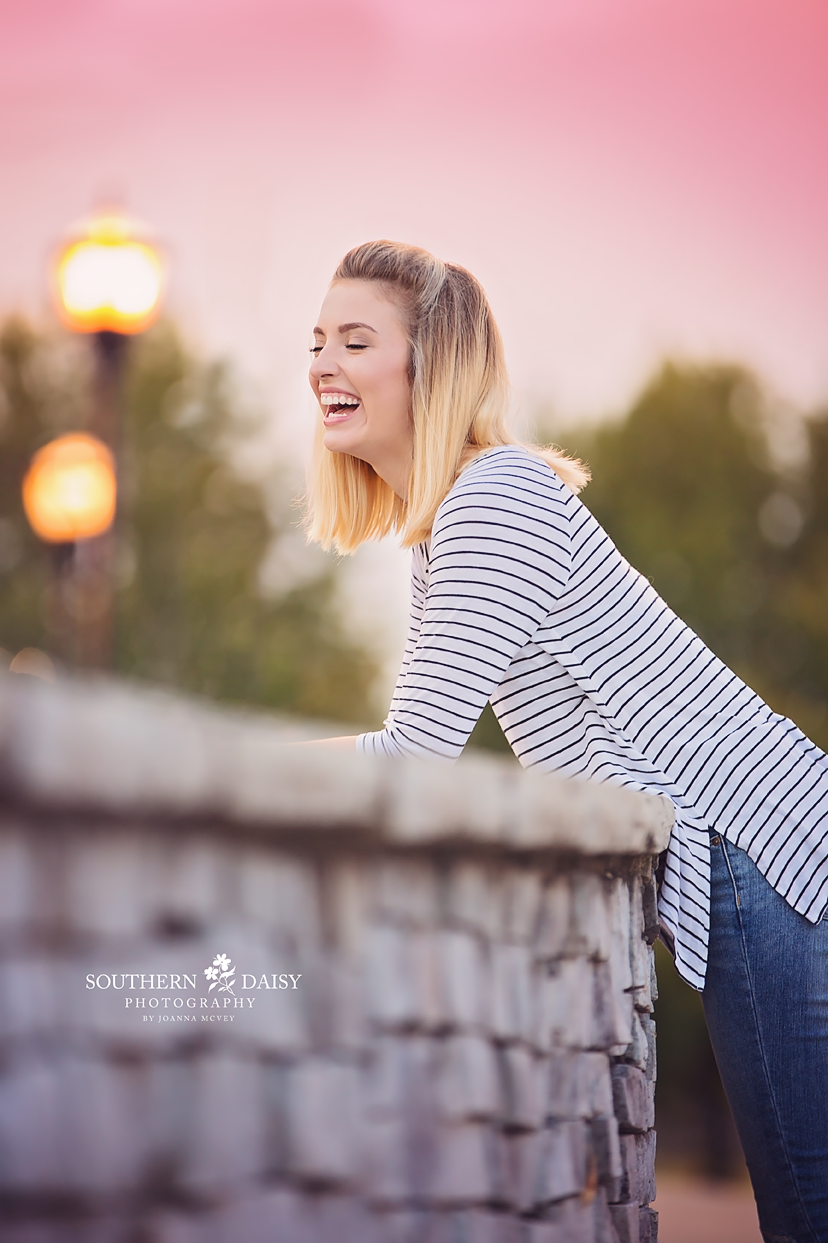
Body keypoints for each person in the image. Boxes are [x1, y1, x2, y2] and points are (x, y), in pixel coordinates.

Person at [305, 239, 828, 1240]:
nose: (322, 364)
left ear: (431, 366)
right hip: (758, 855)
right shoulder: (455, 519)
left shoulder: (492, 503)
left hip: (760, 856)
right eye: (317, 342)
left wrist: (250, 768)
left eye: (355, 341)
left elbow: (411, 757)